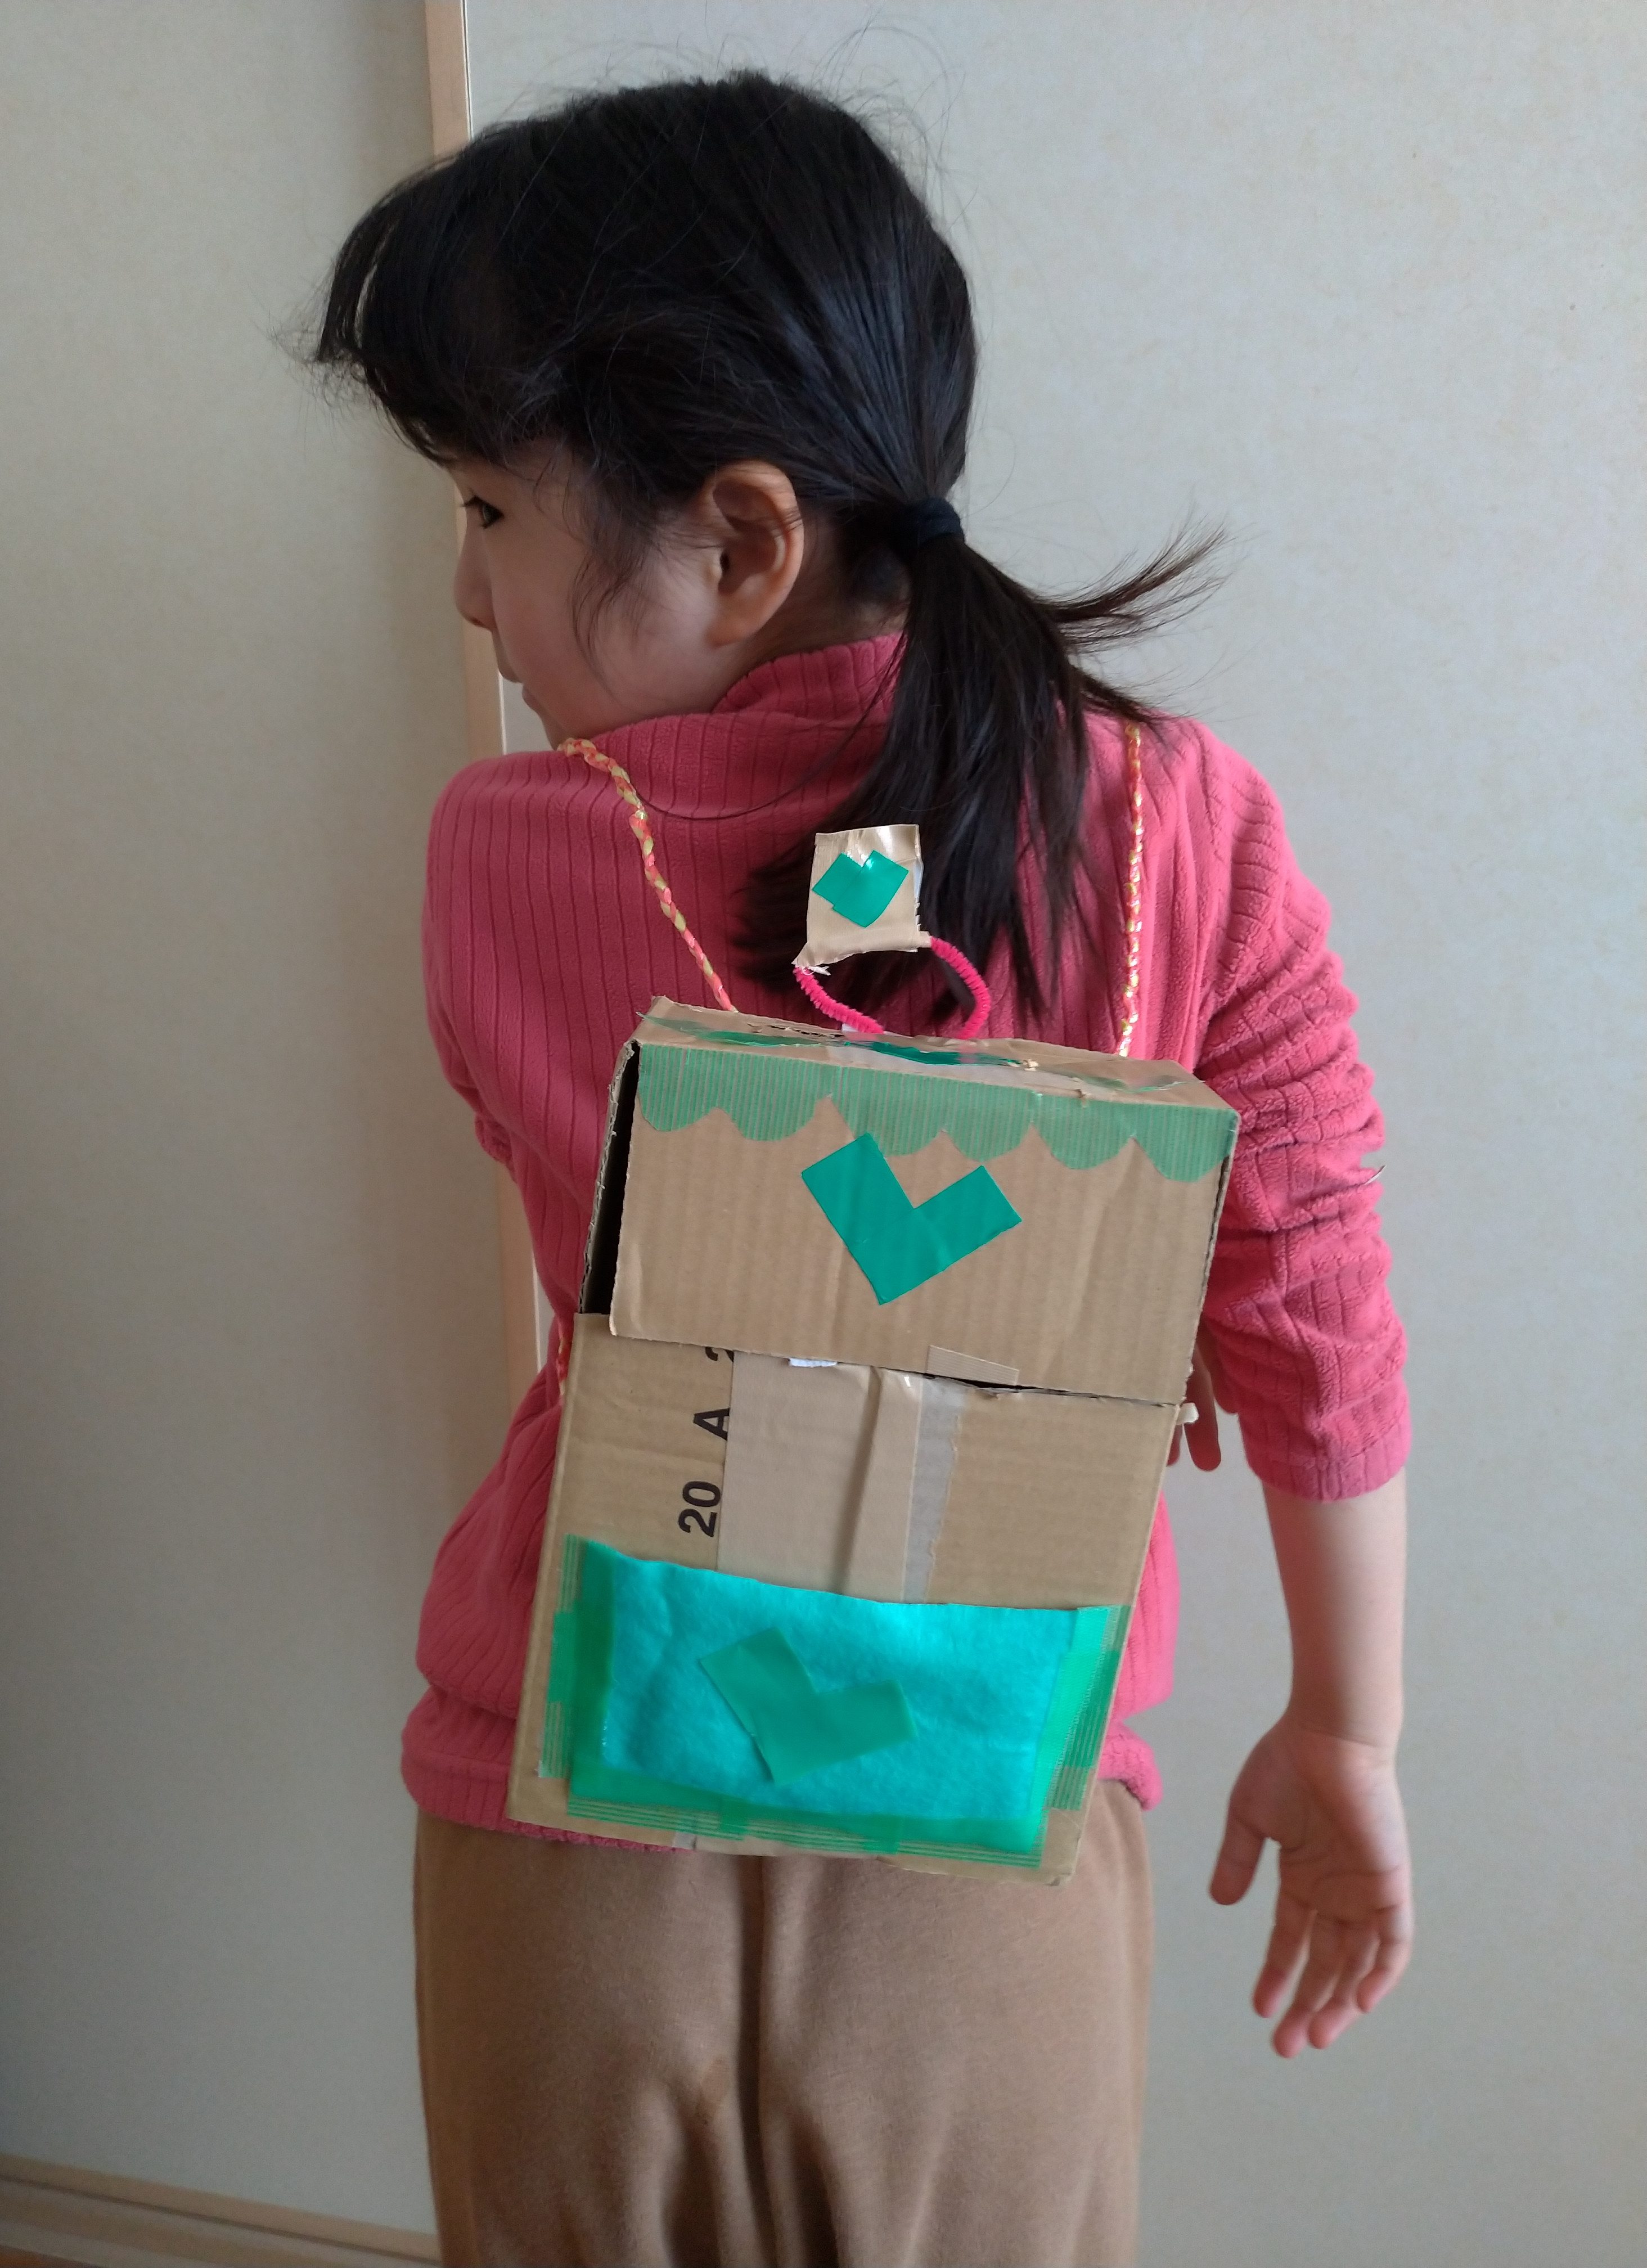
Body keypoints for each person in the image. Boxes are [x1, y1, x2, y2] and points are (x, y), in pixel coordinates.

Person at [312, 70, 1411, 2268]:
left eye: (490, 508)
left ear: (739, 539)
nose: (466, 592)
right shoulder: (1176, 831)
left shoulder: (498, 862)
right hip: (988, 1825)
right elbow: (1316, 1303)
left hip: (568, 1798)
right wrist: (1346, 1728)